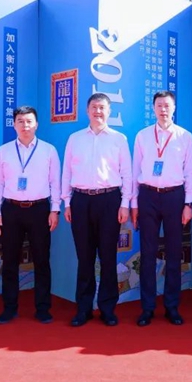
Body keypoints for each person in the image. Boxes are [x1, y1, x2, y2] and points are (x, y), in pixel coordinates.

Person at [62, 93, 132, 327]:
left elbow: (127, 173)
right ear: (87, 110)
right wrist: (67, 202)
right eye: (94, 107)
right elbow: (66, 172)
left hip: (109, 200)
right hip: (81, 201)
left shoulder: (119, 139)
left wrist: (125, 203)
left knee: (108, 256)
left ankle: (107, 308)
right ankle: (83, 309)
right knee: (85, 258)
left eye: (102, 108)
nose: (98, 112)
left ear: (109, 111)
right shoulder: (75, 139)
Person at [0, 106, 61, 324]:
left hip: (39, 210)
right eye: (20, 121)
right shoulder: (4, 151)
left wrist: (54, 210)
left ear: (36, 124)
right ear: (14, 124)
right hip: (10, 210)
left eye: (29, 121)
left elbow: (55, 182)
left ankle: (43, 308)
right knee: (10, 261)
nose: (25, 125)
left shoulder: (48, 150)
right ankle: (9, 308)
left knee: (42, 260)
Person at [130, 91, 192, 326]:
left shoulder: (185, 136)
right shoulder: (143, 136)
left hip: (174, 197)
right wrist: (134, 203)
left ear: (174, 108)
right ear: (153, 108)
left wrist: (188, 204)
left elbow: (190, 173)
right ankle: (147, 308)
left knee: (174, 253)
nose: (163, 109)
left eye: (167, 105)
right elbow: (135, 170)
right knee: (148, 253)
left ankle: (171, 306)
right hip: (148, 196)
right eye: (159, 105)